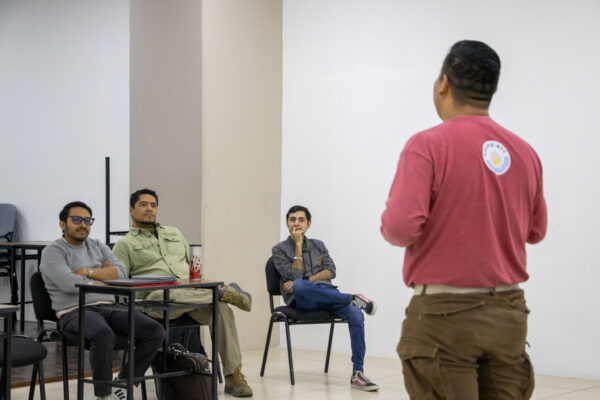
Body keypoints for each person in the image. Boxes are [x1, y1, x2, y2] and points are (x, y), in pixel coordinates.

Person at [381, 40, 547, 399]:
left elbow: (399, 227)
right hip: (509, 313)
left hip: (445, 318)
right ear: (493, 90)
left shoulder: (426, 145)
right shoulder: (525, 152)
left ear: (444, 83)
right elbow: (536, 231)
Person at [113, 188, 253, 397]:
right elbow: (121, 284)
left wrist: (205, 284)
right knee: (168, 293)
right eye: (143, 204)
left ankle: (233, 376)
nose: (149, 209)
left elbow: (193, 268)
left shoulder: (174, 233)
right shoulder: (124, 244)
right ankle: (224, 292)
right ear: (131, 210)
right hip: (155, 301)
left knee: (221, 309)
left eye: (153, 205)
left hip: (191, 294)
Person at [40, 201, 165, 400]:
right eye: (77, 219)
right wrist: (104, 275)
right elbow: (69, 284)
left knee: (155, 330)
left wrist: (88, 272)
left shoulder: (97, 245)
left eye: (87, 220)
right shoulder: (53, 251)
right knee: (103, 334)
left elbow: (122, 273)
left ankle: (123, 382)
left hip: (109, 307)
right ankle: (104, 394)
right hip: (74, 311)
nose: (83, 224)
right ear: (63, 224)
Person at [272, 205, 379, 392]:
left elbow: (331, 270)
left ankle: (357, 373)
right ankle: (352, 298)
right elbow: (295, 277)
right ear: (287, 223)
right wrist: (298, 246)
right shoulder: (279, 250)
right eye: (292, 219)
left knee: (356, 314)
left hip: (328, 295)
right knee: (299, 286)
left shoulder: (318, 245)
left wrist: (309, 280)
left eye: (301, 220)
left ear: (308, 224)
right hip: (302, 300)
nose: (296, 223)